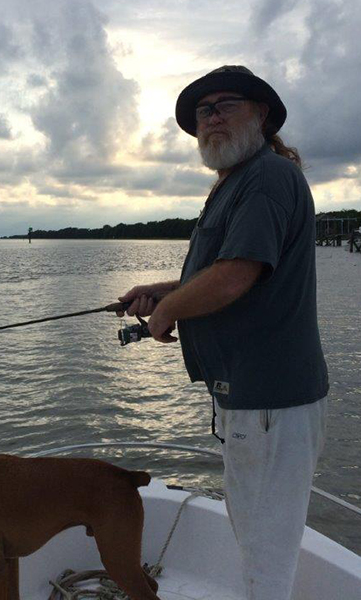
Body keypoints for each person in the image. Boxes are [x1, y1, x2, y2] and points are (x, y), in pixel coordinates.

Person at [117, 65, 329, 600]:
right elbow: (216, 272)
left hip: (270, 403)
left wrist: (166, 315)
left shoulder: (268, 177)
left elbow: (235, 276)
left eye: (224, 105)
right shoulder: (238, 183)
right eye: (201, 111)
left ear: (260, 113)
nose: (210, 118)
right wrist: (165, 292)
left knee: (264, 551)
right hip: (253, 401)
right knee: (255, 536)